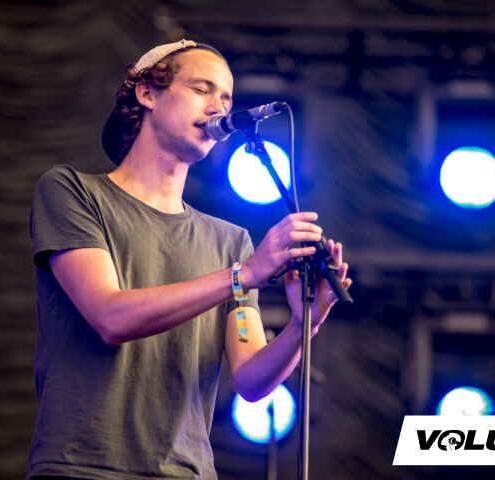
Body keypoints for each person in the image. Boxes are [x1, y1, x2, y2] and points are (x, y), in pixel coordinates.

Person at [26, 39, 350, 480]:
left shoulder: (231, 241)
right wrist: (243, 275)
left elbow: (250, 381)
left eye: (227, 98)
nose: (219, 107)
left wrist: (303, 324)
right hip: (82, 469)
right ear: (148, 93)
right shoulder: (72, 192)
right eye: (202, 89)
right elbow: (111, 318)